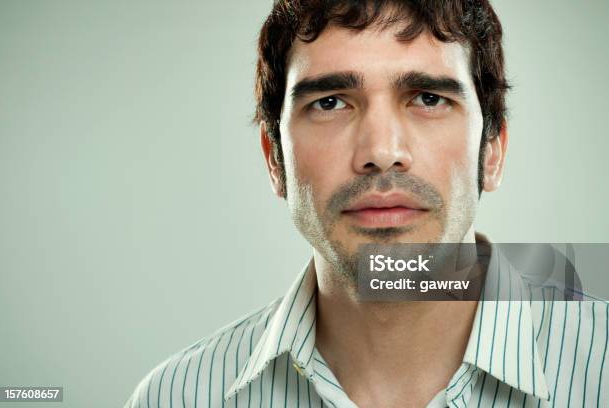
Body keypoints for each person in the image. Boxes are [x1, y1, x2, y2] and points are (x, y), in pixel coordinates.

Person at [124, 1, 608, 407]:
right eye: (331, 102)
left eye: (428, 98)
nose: (381, 152)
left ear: (492, 151)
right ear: (275, 161)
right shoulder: (174, 397)